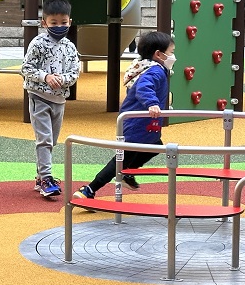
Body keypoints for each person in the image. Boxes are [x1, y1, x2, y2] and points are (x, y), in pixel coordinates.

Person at [74, 31, 175, 201]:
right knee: (122, 158)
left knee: (155, 147)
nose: (173, 57)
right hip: (137, 123)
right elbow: (144, 88)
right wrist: (152, 103)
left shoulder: (145, 66)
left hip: (145, 123)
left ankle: (127, 173)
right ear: (159, 54)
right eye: (171, 52)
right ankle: (89, 189)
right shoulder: (155, 71)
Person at [22, 0, 81, 197]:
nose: (59, 26)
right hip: (38, 96)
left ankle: (41, 177)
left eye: (63, 22)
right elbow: (26, 68)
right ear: (44, 23)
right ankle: (47, 178)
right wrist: (45, 77)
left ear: (69, 22)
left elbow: (74, 73)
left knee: (52, 140)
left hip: (59, 100)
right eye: (53, 23)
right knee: (45, 139)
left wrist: (62, 79)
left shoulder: (70, 47)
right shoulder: (38, 43)